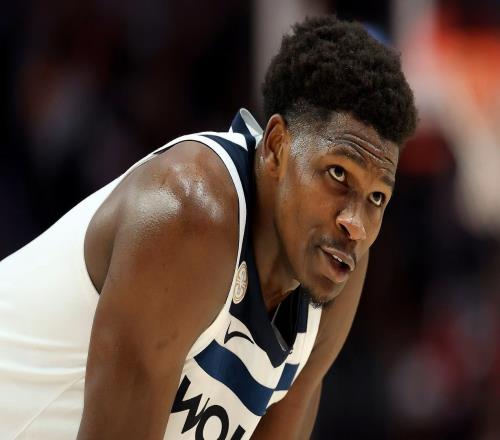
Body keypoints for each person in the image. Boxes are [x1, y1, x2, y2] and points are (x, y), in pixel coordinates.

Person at [0, 15, 417, 439]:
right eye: (338, 174)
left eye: (376, 197)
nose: (355, 223)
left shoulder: (332, 270)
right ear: (277, 147)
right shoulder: (189, 216)